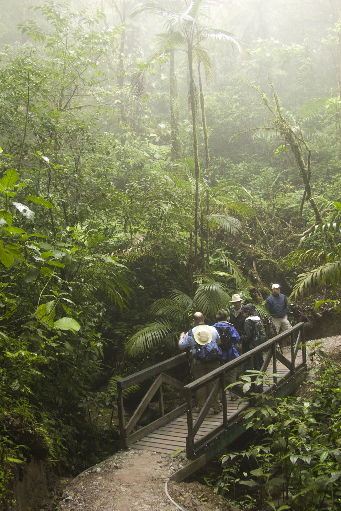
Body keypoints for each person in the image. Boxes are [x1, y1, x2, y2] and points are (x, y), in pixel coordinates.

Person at [179, 312, 222, 411]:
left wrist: (181, 336)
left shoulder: (191, 332)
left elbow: (181, 346)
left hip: (198, 361)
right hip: (213, 360)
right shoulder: (212, 329)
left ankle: (202, 408)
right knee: (214, 382)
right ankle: (216, 406)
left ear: (194, 321)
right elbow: (219, 342)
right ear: (204, 318)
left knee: (200, 383)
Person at [241, 304, 266, 371]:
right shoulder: (258, 319)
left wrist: (241, 337)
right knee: (260, 358)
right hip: (260, 342)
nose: (242, 314)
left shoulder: (248, 321)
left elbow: (248, 335)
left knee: (255, 361)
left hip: (252, 343)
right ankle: (262, 371)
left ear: (247, 312)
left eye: (243, 312)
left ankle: (257, 376)